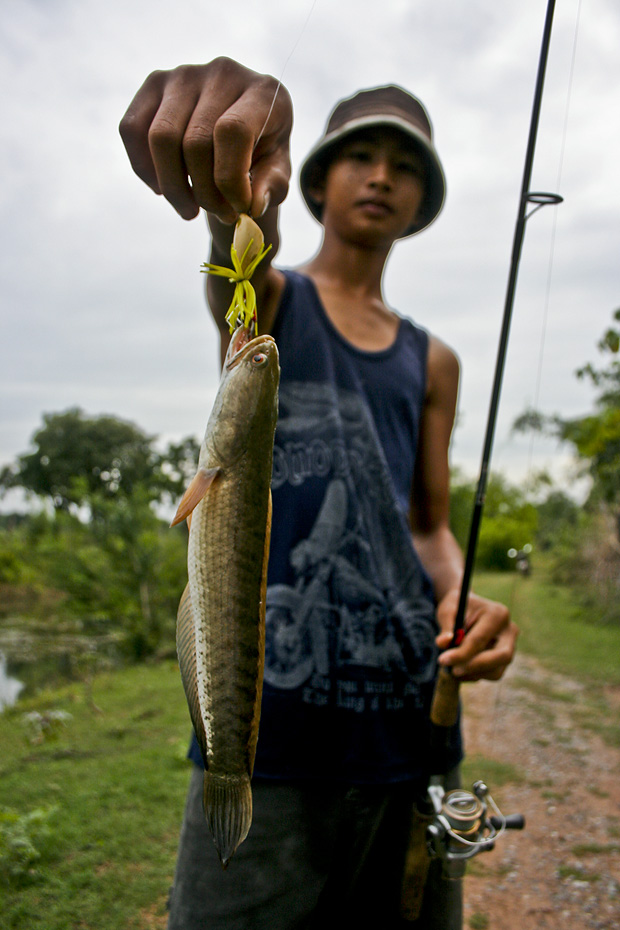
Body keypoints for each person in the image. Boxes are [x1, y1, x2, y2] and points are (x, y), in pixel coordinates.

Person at [120, 57, 519, 930]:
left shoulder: (434, 359)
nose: (381, 175)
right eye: (359, 154)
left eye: (405, 163)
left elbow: (430, 526)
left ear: (424, 197)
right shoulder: (271, 307)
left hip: (409, 727)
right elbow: (236, 260)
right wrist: (242, 183)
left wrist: (457, 592)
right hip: (269, 735)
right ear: (316, 175)